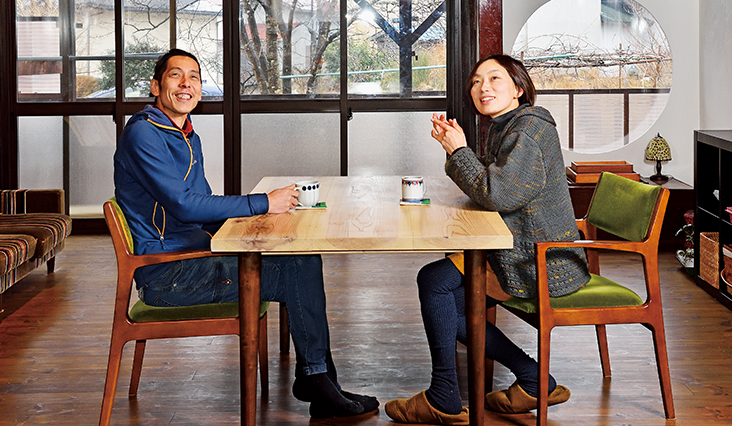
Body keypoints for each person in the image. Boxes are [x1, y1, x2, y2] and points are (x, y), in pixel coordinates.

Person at [113, 48, 378, 419]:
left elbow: (201, 205)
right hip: (170, 275)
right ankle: (317, 381)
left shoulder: (185, 134)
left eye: (195, 76)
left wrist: (259, 224)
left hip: (194, 256)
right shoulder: (144, 134)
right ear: (156, 85)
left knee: (297, 255)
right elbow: (186, 206)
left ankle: (320, 378)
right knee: (297, 268)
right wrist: (260, 204)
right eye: (176, 76)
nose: (187, 84)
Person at [385, 54, 590, 425]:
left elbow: (497, 194)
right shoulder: (507, 125)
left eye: (495, 79)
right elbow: (489, 186)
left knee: (435, 283)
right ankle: (532, 378)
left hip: (543, 260)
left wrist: (458, 150)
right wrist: (458, 149)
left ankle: (444, 396)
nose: (483, 88)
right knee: (442, 289)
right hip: (521, 247)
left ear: (519, 88)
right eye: (477, 81)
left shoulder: (528, 129)